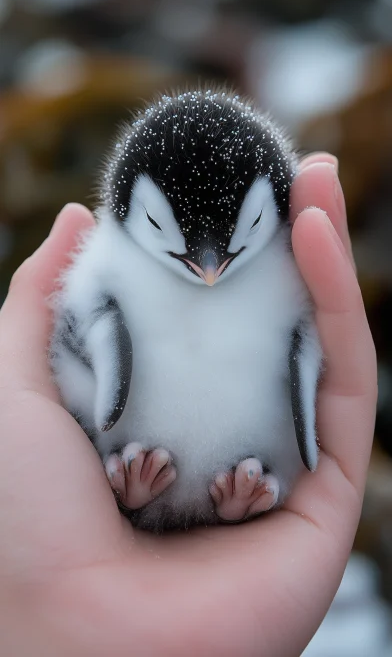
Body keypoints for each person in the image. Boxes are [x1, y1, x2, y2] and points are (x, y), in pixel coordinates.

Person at [0, 154, 377, 657]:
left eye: (249, 228)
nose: (208, 267)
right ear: (131, 205)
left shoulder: (279, 267)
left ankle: (189, 495)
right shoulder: (111, 261)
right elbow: (93, 323)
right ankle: (164, 496)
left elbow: (302, 347)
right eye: (159, 225)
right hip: (124, 463)